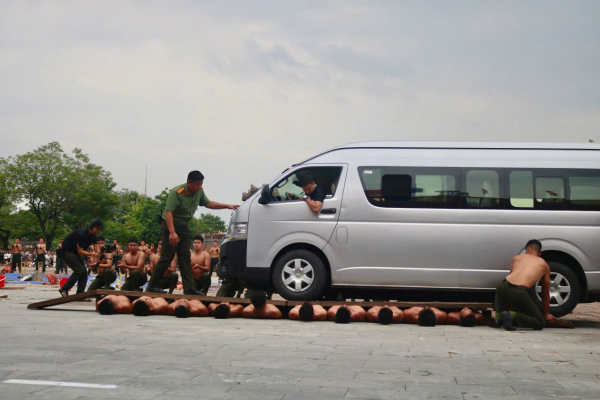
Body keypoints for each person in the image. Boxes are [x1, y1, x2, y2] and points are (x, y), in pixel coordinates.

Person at [146, 170, 239, 295]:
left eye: (201, 184)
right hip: (170, 226)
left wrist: (226, 206)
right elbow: (168, 212)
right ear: (189, 182)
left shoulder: (199, 192)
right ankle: (152, 285)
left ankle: (189, 288)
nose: (200, 187)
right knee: (167, 256)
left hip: (184, 227)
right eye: (198, 184)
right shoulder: (176, 192)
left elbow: (208, 203)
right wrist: (172, 233)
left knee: (185, 256)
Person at [494, 239, 555, 331]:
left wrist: (509, 302)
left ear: (527, 250)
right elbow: (545, 294)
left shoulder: (517, 258)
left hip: (503, 285)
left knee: (500, 291)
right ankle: (511, 315)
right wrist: (546, 314)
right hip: (519, 292)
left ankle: (497, 319)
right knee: (540, 322)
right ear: (539, 254)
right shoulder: (544, 265)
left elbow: (512, 278)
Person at [58, 220, 103, 296]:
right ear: (92, 227)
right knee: (79, 270)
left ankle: (80, 294)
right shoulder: (82, 234)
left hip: (74, 252)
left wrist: (98, 254)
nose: (98, 231)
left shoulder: (93, 236)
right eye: (97, 229)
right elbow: (80, 251)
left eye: (99, 230)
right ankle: (64, 289)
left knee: (84, 272)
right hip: (67, 251)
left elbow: (96, 247)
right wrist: (92, 254)